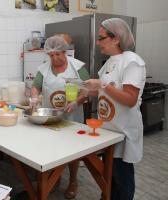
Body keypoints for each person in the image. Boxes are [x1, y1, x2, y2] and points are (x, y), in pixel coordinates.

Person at [83, 18, 145, 200]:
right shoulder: (109, 62)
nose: (97, 42)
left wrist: (102, 84)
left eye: (101, 38)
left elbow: (130, 99)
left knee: (121, 177)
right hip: (108, 130)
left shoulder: (132, 61)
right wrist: (84, 90)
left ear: (116, 38)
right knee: (109, 175)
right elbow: (105, 93)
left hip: (123, 131)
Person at [30, 35, 89, 199]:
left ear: (65, 52)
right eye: (51, 55)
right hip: (52, 118)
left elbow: (87, 90)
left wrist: (77, 102)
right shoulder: (44, 69)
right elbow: (35, 87)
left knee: (73, 152)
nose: (54, 58)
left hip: (72, 118)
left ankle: (73, 181)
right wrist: (34, 98)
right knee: (51, 150)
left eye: (58, 54)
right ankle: (54, 178)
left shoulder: (78, 67)